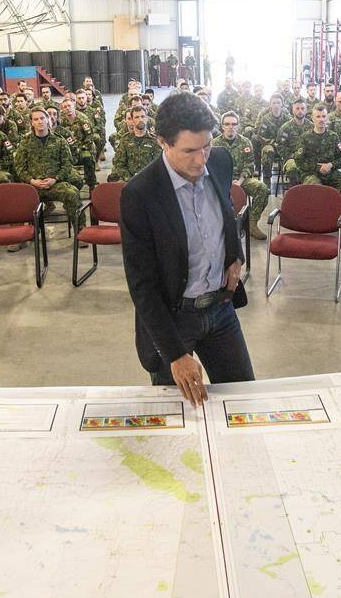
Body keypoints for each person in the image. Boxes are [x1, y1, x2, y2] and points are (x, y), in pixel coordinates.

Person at [119, 92, 253, 405]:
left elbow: (226, 217)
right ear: (163, 143)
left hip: (220, 310)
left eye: (206, 145)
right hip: (174, 318)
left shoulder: (220, 161)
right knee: (176, 415)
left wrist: (235, 257)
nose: (201, 159)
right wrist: (176, 354)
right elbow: (142, 286)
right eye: (189, 150)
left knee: (244, 400)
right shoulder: (140, 194)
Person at [12, 107, 82, 235]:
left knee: (72, 194)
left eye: (42, 118)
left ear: (48, 120)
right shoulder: (25, 142)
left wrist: (55, 179)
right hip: (33, 186)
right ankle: (21, 235)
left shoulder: (59, 140)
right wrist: (32, 181)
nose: (39, 122)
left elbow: (67, 164)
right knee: (17, 199)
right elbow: (19, 167)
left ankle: (80, 233)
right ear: (31, 122)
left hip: (55, 184)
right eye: (36, 119)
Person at [293, 104, 341, 220]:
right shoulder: (305, 138)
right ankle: (316, 220)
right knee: (315, 188)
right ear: (312, 118)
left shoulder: (333, 137)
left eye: (323, 116)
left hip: (330, 172)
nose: (321, 119)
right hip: (311, 173)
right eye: (318, 116)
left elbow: (340, 160)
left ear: (327, 118)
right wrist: (318, 168)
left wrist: (330, 165)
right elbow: (299, 161)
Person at [213, 111, 269, 239]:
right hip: (221, 182)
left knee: (262, 188)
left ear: (238, 126)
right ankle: (222, 226)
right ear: (222, 126)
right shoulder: (214, 144)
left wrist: (240, 181)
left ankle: (252, 224)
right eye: (227, 124)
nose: (230, 126)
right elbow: (212, 167)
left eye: (233, 124)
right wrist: (226, 182)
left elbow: (250, 165)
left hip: (242, 179)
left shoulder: (245, 142)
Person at [109, 107, 160, 182]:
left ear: (147, 119)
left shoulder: (155, 141)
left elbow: (158, 165)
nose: (140, 119)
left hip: (150, 181)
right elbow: (119, 163)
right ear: (132, 120)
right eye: (137, 117)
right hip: (130, 182)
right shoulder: (125, 140)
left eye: (143, 116)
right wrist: (129, 179)